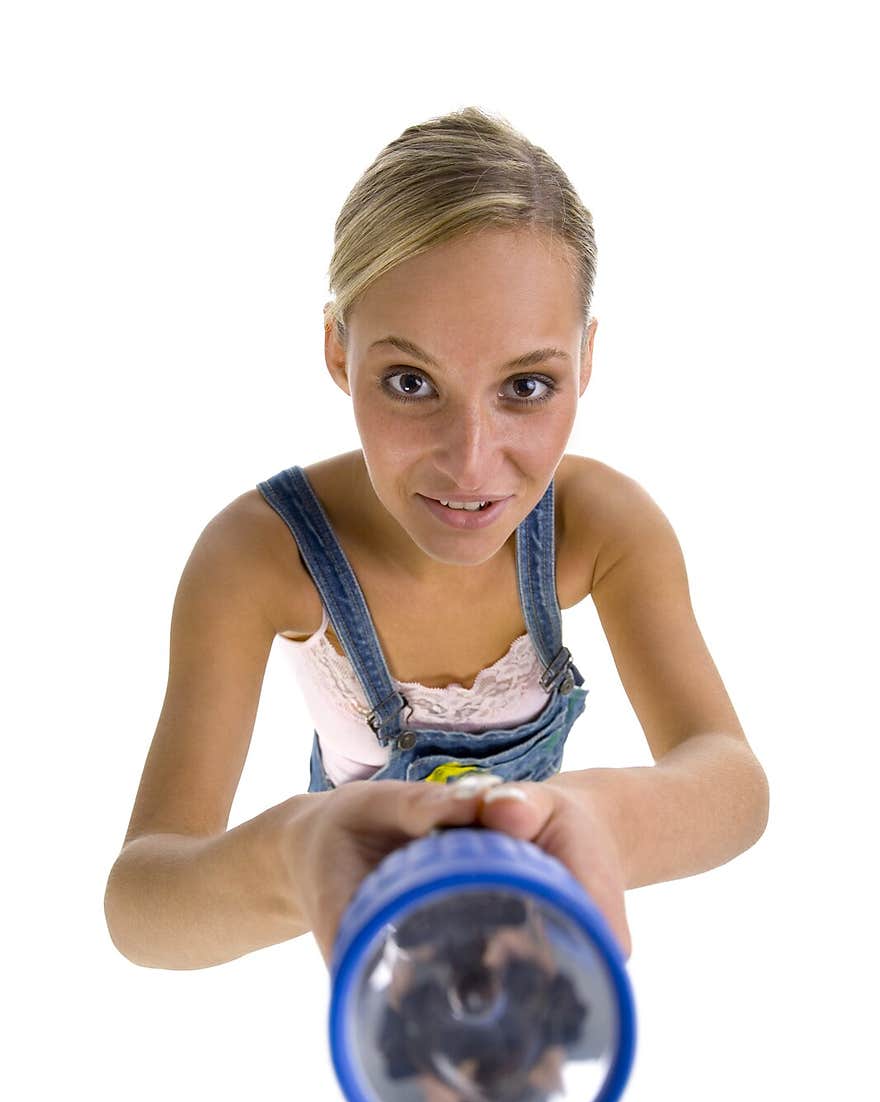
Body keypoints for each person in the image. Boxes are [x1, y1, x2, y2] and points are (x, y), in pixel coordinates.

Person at [103, 105, 769, 976]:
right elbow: (142, 904)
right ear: (340, 351)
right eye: (411, 381)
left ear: (587, 360)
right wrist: (300, 851)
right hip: (370, 930)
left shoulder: (604, 527)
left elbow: (732, 779)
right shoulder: (257, 559)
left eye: (527, 385)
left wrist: (600, 818)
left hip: (538, 918)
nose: (471, 463)